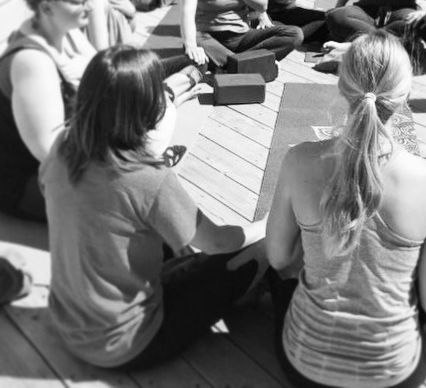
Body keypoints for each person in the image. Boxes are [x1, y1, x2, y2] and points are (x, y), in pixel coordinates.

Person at [266, 31, 426, 388]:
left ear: (341, 87)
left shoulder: (299, 161)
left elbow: (278, 259)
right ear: (406, 95)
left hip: (303, 369)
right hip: (391, 378)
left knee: (278, 278)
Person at [40, 45, 267, 370]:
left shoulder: (62, 147)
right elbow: (220, 242)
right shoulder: (146, 176)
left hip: (69, 323)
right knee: (248, 256)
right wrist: (266, 225)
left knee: (181, 254)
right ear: (148, 108)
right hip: (127, 342)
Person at [0, 0, 96, 221]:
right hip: (27, 180)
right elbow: (50, 152)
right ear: (47, 8)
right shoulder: (32, 62)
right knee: (130, 206)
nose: (89, 5)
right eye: (79, 1)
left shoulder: (69, 33)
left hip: (72, 156)